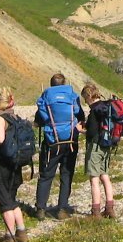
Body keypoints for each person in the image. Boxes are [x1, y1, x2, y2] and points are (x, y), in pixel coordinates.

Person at [35, 73, 85, 220]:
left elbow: (41, 119)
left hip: (52, 141)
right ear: (64, 83)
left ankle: (41, 208)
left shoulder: (45, 97)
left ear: (51, 84)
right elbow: (80, 115)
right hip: (70, 140)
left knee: (46, 175)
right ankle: (62, 208)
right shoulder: (72, 96)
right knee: (66, 174)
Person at [0, 86, 29, 242]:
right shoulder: (15, 117)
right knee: (12, 199)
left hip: (2, 162)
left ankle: (9, 237)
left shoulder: (0, 118)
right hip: (15, 162)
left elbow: (0, 138)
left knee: (4, 201)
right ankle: (21, 231)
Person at [78, 82, 116, 218]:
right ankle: (110, 208)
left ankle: (95, 211)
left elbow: (92, 131)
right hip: (107, 146)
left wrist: (81, 131)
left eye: (85, 99)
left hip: (95, 146)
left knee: (94, 178)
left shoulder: (94, 110)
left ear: (89, 96)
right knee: (105, 176)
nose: (86, 102)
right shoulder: (107, 106)